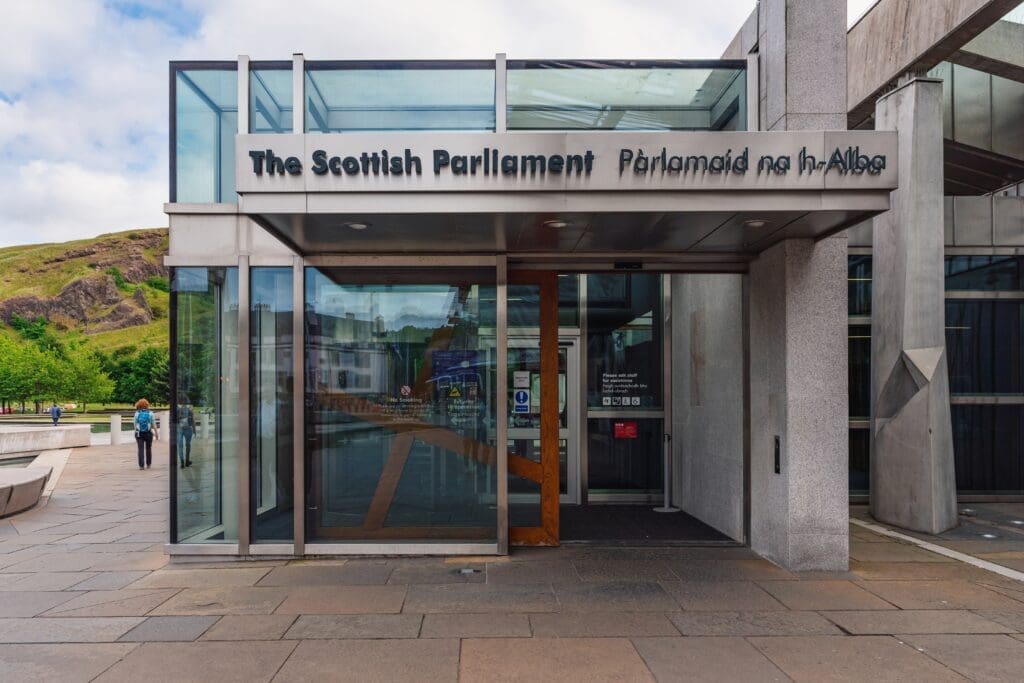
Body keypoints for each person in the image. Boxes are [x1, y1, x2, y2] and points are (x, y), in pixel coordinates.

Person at [133, 398, 158, 470]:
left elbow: (135, 424)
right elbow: (154, 424)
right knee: (148, 448)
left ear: (139, 405)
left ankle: (141, 466)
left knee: (140, 449)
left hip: (139, 433)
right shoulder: (150, 413)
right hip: (148, 433)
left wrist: (136, 432)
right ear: (147, 405)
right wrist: (156, 433)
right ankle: (148, 464)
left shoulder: (137, 413)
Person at [177, 403, 195, 468]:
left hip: (179, 428)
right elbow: (193, 419)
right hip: (188, 428)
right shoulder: (190, 406)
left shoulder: (177, 407)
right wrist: (194, 429)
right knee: (188, 445)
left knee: (180, 446)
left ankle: (182, 462)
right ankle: (187, 461)